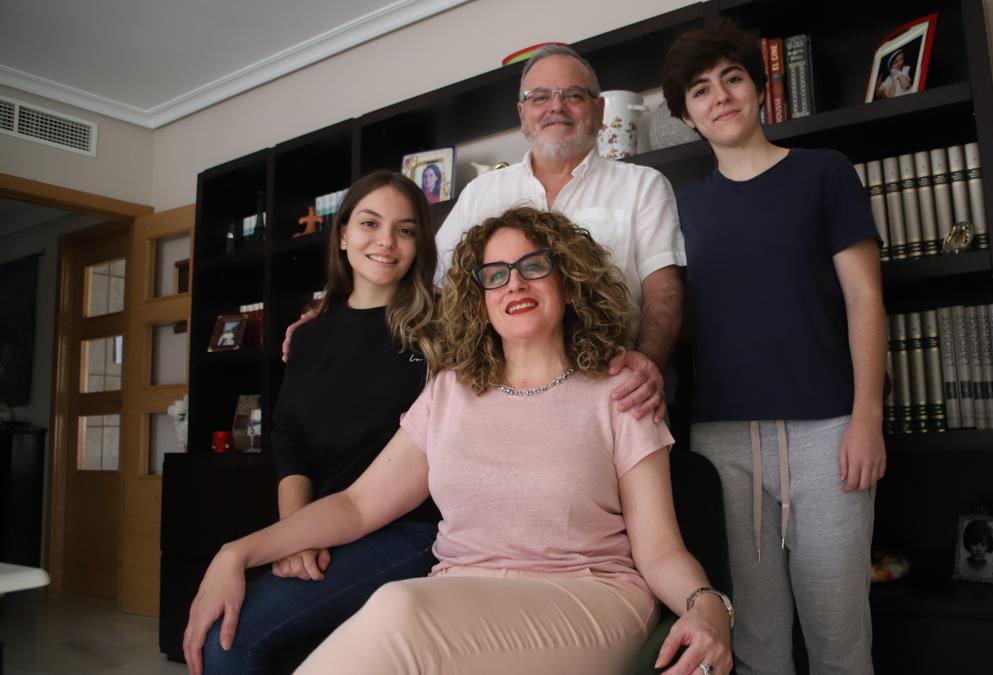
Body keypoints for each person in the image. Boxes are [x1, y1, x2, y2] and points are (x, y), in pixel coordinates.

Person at [183, 207, 733, 675]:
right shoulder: (449, 392)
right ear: (480, 299)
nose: (514, 284)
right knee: (403, 612)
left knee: (398, 608)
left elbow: (659, 549)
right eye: (494, 275)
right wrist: (239, 551)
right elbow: (357, 504)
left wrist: (707, 605)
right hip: (461, 594)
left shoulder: (620, 391)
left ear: (568, 281)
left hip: (587, 597)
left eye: (533, 266)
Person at [662, 24, 888, 675]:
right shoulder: (681, 209)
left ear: (759, 87)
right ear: (686, 113)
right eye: (700, 90)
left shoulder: (825, 173)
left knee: (839, 632)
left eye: (732, 78)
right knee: (754, 639)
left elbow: (865, 300)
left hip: (830, 434)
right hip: (722, 444)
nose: (720, 96)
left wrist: (866, 417)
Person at [194, 171, 442, 674]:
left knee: (228, 643)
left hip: (412, 529)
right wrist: (296, 533)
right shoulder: (307, 336)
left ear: (419, 245)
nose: (386, 242)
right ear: (344, 234)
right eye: (370, 223)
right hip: (323, 524)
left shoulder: (441, 328)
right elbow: (290, 439)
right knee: (228, 636)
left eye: (406, 230)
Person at [434, 44, 686, 423]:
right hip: (498, 405)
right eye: (540, 97)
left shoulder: (643, 185)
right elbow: (435, 287)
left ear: (599, 111)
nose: (556, 107)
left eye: (573, 94)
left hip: (615, 397)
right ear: (522, 114)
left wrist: (646, 363)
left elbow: (663, 290)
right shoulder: (480, 194)